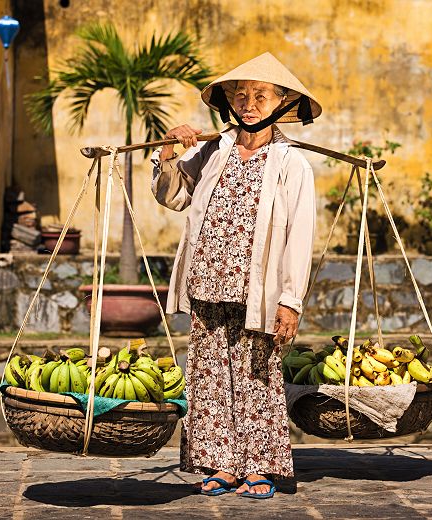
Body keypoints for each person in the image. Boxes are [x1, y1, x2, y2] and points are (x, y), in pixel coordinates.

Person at [151, 52, 321, 499]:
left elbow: (300, 237)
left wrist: (290, 300)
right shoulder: (213, 151)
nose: (248, 104)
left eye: (261, 96)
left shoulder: (291, 163)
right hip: (208, 281)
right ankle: (221, 464)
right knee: (208, 375)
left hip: (257, 290)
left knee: (256, 376)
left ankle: (259, 465)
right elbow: (172, 196)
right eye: (241, 95)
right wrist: (169, 150)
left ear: (282, 103)